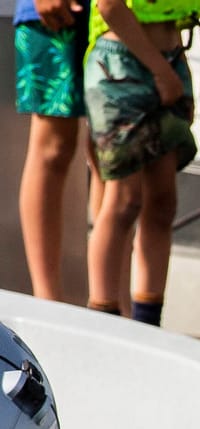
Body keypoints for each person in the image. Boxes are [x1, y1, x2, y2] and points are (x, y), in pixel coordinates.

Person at [82, 0, 200, 326]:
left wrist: (171, 69)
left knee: (163, 201)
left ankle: (148, 323)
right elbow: (110, 6)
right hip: (121, 65)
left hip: (170, 59)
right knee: (124, 200)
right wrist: (161, 72)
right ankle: (104, 320)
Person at [13, 0, 91, 301]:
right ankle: (47, 301)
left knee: (111, 155)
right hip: (55, 15)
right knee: (53, 148)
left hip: (125, 16)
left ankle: (110, 306)